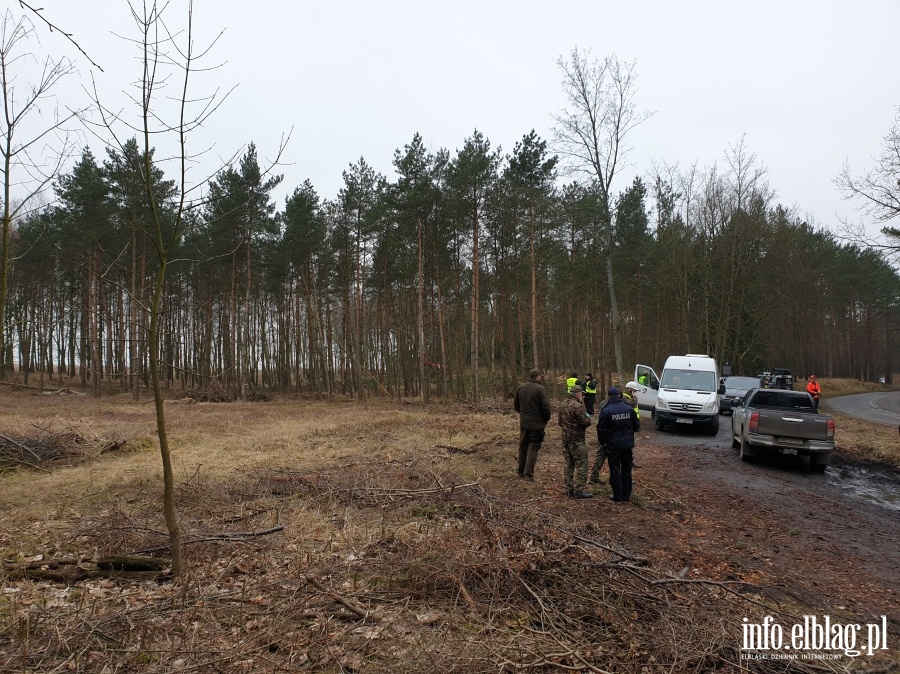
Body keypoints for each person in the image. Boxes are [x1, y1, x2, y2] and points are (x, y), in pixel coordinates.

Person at [597, 386, 640, 502]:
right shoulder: (629, 409)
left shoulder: (606, 410)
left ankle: (618, 496)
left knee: (615, 470)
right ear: (619, 395)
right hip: (627, 445)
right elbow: (636, 426)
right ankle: (626, 495)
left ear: (609, 396)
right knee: (626, 470)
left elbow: (600, 430)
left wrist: (604, 443)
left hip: (613, 446)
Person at [513, 368, 552, 481]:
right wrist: (545, 418)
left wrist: (523, 414)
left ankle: (520, 471)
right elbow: (546, 407)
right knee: (533, 448)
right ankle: (529, 475)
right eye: (540, 376)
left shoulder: (521, 388)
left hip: (524, 422)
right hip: (537, 424)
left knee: (523, 447)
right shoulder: (541, 389)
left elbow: (516, 404)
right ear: (538, 377)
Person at [558, 385, 593, 498]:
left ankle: (569, 489)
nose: (582, 396)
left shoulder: (562, 404)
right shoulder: (578, 406)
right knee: (582, 465)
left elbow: (560, 422)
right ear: (578, 394)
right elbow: (587, 421)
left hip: (566, 440)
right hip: (577, 440)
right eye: (582, 394)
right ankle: (579, 490)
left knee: (569, 465)